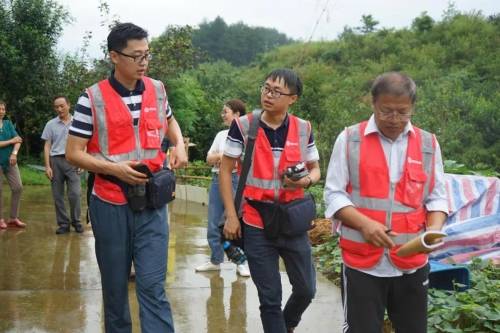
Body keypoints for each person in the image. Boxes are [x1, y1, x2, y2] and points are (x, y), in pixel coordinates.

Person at [65, 22, 187, 333]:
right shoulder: (91, 99)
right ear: (114, 57)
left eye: (147, 54)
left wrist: (180, 144)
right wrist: (114, 169)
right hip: (110, 203)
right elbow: (73, 153)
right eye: (136, 56)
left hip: (153, 204)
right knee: (116, 290)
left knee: (152, 286)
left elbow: (170, 122)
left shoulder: (158, 89)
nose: (144, 62)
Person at [324, 72, 448, 333]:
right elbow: (333, 193)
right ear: (373, 103)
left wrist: (434, 231)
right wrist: (365, 224)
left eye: (402, 112)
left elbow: (437, 196)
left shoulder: (428, 144)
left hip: (412, 263)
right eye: (386, 111)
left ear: (412, 107)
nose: (394, 119)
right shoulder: (350, 139)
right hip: (362, 264)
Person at [219, 69, 321, 333]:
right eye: (266, 88)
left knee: (307, 289)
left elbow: (316, 169)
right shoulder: (243, 126)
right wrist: (231, 216)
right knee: (270, 298)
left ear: (293, 98)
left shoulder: (303, 128)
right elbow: (225, 169)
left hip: (292, 222)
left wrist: (305, 181)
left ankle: (286, 326)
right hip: (256, 222)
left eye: (277, 92)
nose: (268, 95)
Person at [195, 99, 250, 277]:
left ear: (237, 114)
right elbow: (209, 158)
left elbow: (245, 159)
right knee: (213, 222)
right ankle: (215, 260)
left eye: (225, 111)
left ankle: (241, 262)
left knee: (238, 222)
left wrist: (223, 158)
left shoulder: (248, 135)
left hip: (238, 181)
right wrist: (225, 156)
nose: (222, 114)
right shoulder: (221, 135)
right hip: (218, 179)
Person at [42, 96, 83, 235]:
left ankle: (76, 221)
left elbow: (84, 143)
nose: (59, 109)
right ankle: (63, 224)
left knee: (75, 194)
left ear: (69, 105)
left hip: (73, 160)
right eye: (56, 107)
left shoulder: (77, 122)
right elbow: (47, 146)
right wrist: (47, 166)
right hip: (56, 162)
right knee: (57, 195)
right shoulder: (50, 124)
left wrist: (82, 161)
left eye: (62, 106)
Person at [0, 100, 25, 229]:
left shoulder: (8, 123)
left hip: (10, 161)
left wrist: (14, 153)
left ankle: (13, 218)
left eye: (3, 109)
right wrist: (11, 141)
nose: (1, 111)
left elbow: (18, 140)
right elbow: (13, 140)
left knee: (18, 187)